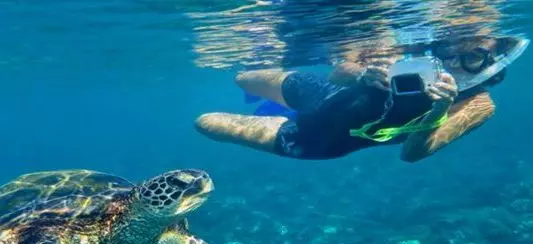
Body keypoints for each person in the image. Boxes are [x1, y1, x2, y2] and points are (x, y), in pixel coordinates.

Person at [195, 35, 528, 163]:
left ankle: (280, 115)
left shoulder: (479, 104)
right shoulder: (412, 52)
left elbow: (412, 154)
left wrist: (440, 109)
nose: (456, 58)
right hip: (325, 94)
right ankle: (277, 104)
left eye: (473, 55)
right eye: (452, 46)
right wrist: (363, 74)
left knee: (205, 123)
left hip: (321, 138)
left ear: (494, 65)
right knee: (242, 77)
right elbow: (338, 72)